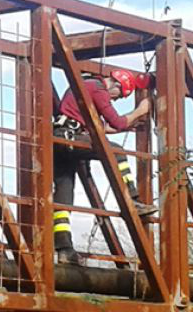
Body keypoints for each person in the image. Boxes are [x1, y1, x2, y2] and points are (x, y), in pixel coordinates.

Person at [52, 68, 156, 265]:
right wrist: (140, 111)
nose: (115, 100)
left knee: (64, 195)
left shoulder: (86, 86)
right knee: (116, 152)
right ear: (116, 85)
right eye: (119, 96)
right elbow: (115, 122)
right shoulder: (98, 88)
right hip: (72, 138)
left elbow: (103, 128)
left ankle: (64, 249)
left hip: (61, 139)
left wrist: (128, 122)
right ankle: (133, 200)